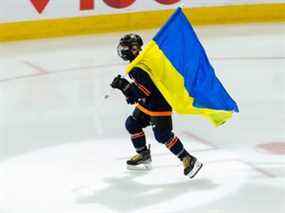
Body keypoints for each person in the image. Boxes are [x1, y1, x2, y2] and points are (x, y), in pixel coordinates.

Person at [111, 33, 203, 178]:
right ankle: (143, 154)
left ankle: (188, 158)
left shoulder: (137, 67)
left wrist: (125, 87)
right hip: (150, 102)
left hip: (159, 103)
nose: (121, 50)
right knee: (132, 123)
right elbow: (142, 90)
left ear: (133, 49)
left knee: (162, 135)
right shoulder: (138, 63)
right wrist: (127, 89)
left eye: (124, 47)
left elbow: (144, 92)